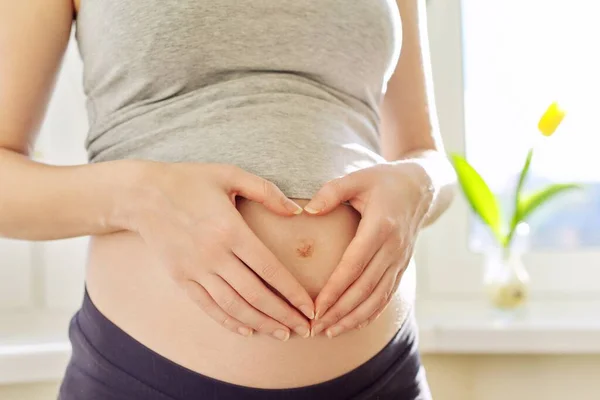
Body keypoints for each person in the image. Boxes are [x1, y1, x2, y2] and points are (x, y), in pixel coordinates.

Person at [0, 0, 456, 399]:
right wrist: (139, 194)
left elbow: (426, 152)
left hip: (381, 378)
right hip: (143, 378)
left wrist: (419, 183)